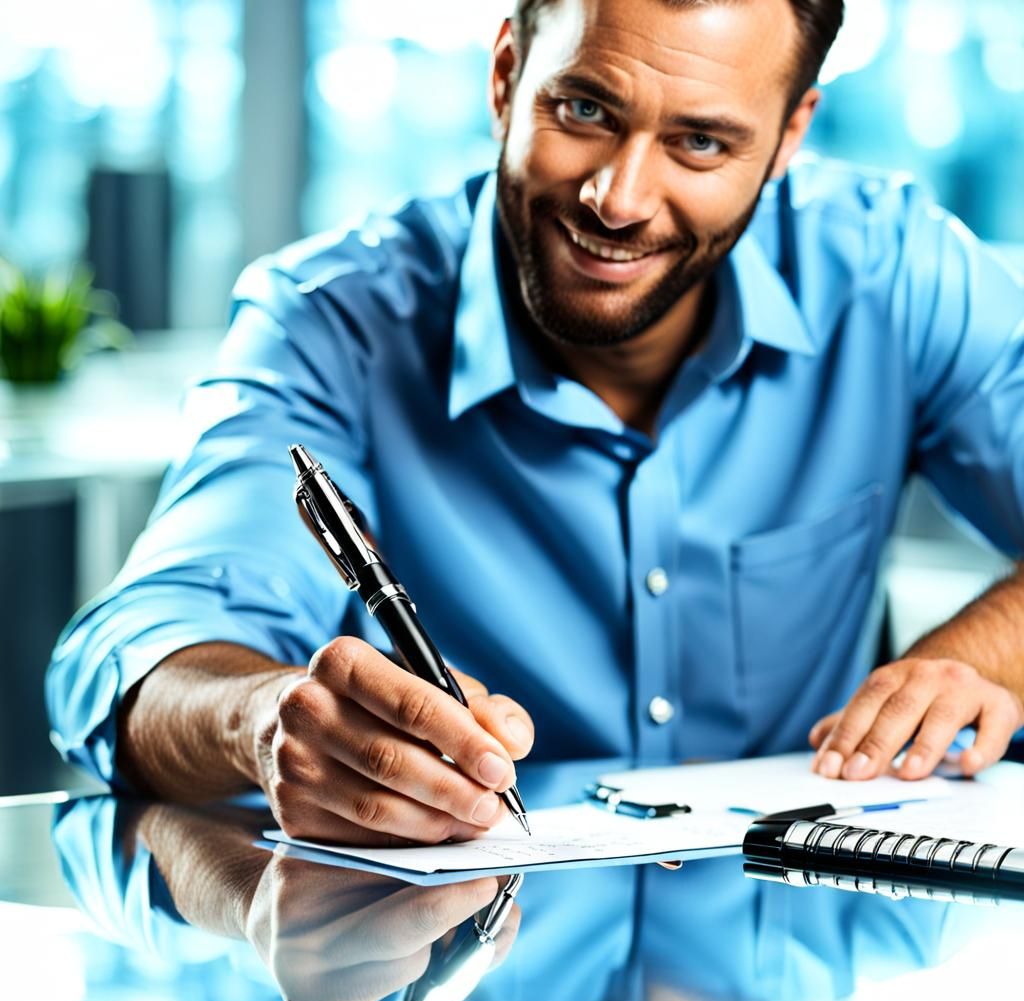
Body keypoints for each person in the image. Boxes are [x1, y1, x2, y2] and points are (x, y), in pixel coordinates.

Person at [47, 0, 1024, 847]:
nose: (619, 198)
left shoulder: (892, 273)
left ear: (788, 136)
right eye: (585, 109)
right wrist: (262, 721)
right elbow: (141, 654)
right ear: (507, 74)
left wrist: (975, 655)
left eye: (701, 142)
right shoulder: (334, 319)